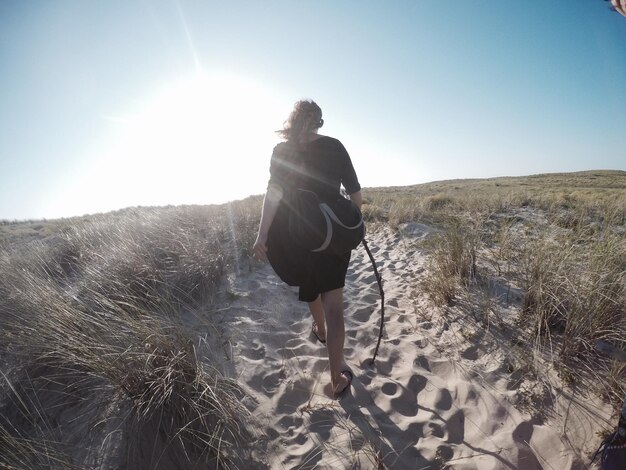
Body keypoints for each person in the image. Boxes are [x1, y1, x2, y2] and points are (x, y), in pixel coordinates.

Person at [253, 100, 363, 397]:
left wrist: (262, 236)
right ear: (319, 121)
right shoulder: (335, 146)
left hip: (297, 234)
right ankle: (337, 376)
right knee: (335, 306)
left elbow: (273, 195)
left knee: (311, 285)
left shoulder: (282, 151)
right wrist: (351, 223)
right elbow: (356, 194)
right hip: (332, 232)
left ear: (293, 120)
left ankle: (320, 330)